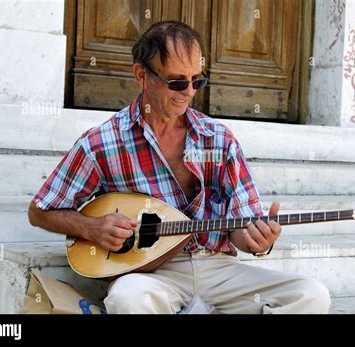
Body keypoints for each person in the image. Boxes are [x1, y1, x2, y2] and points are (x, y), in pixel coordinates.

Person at [28, 21, 331, 314]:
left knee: (310, 296)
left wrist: (257, 241)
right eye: (177, 81)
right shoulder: (103, 142)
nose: (189, 91)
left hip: (219, 268)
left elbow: (240, 228)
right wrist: (90, 227)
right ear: (141, 75)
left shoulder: (219, 139)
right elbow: (40, 210)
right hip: (154, 273)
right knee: (127, 298)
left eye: (197, 80)